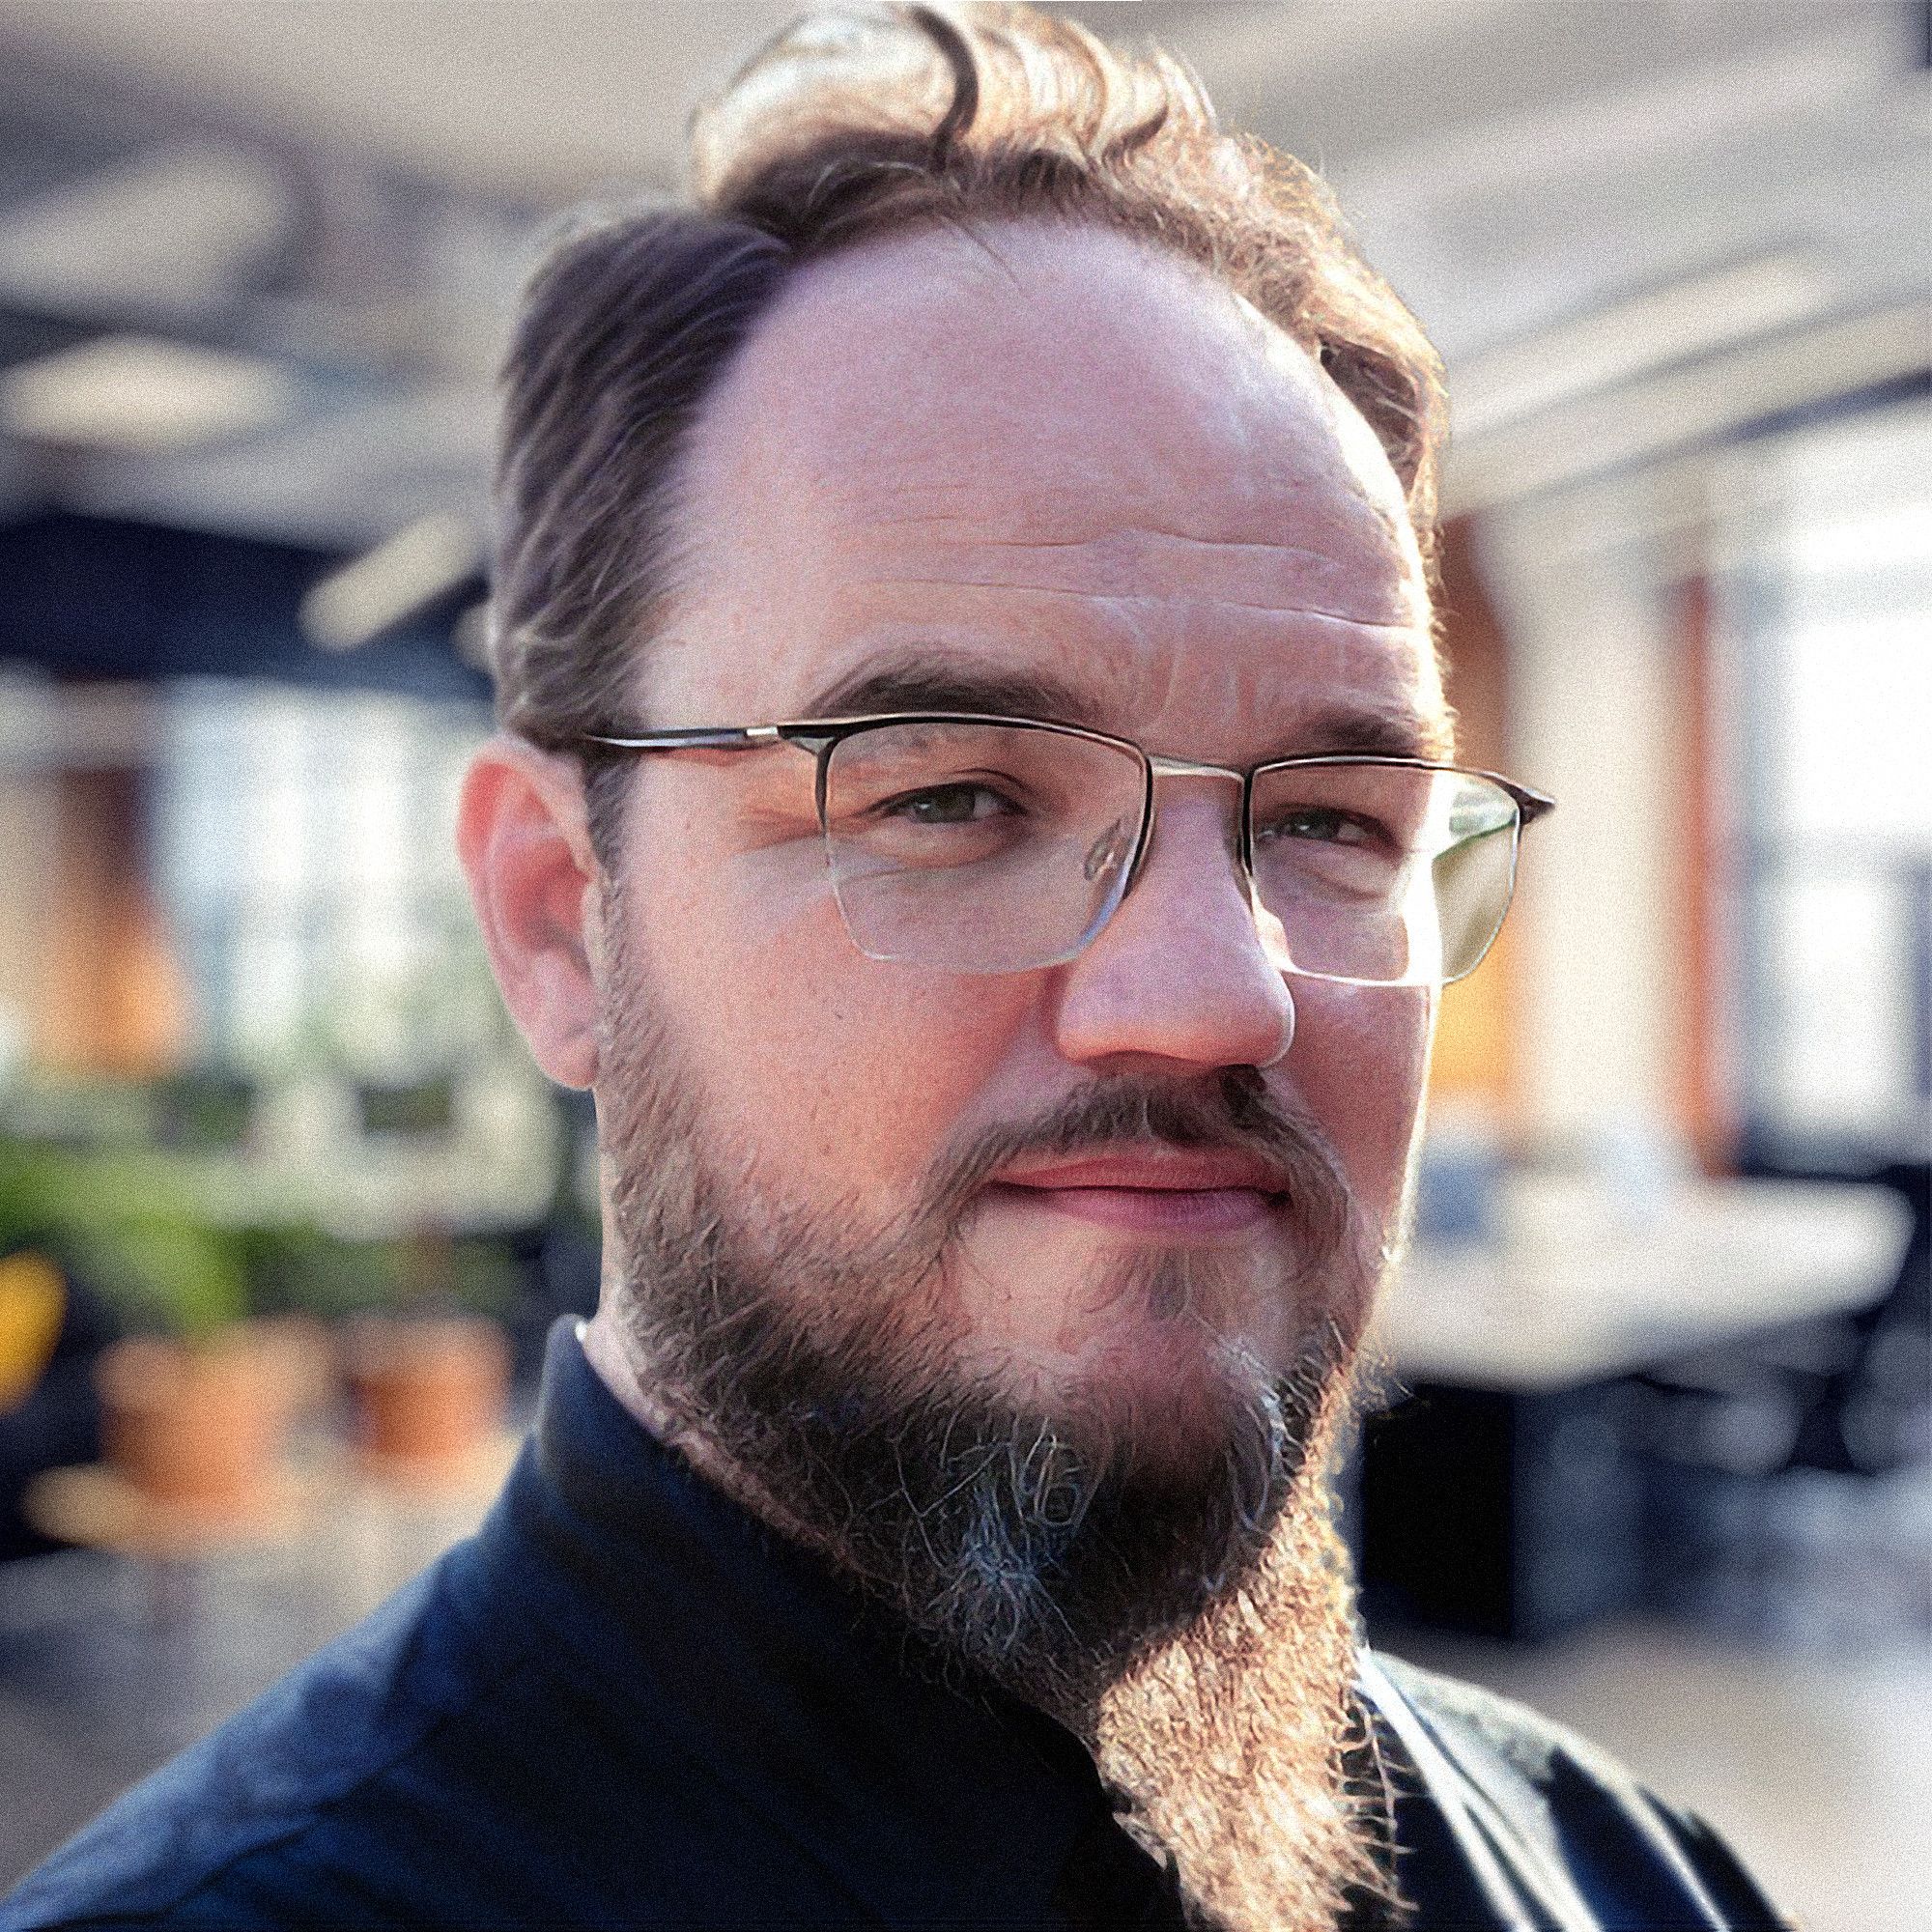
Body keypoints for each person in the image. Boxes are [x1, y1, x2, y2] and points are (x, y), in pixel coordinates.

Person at [3, 8, 1785, 1928]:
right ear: (551, 917)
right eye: (949, 795)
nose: (1214, 994)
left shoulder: (1615, 1872)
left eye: (1336, 819)